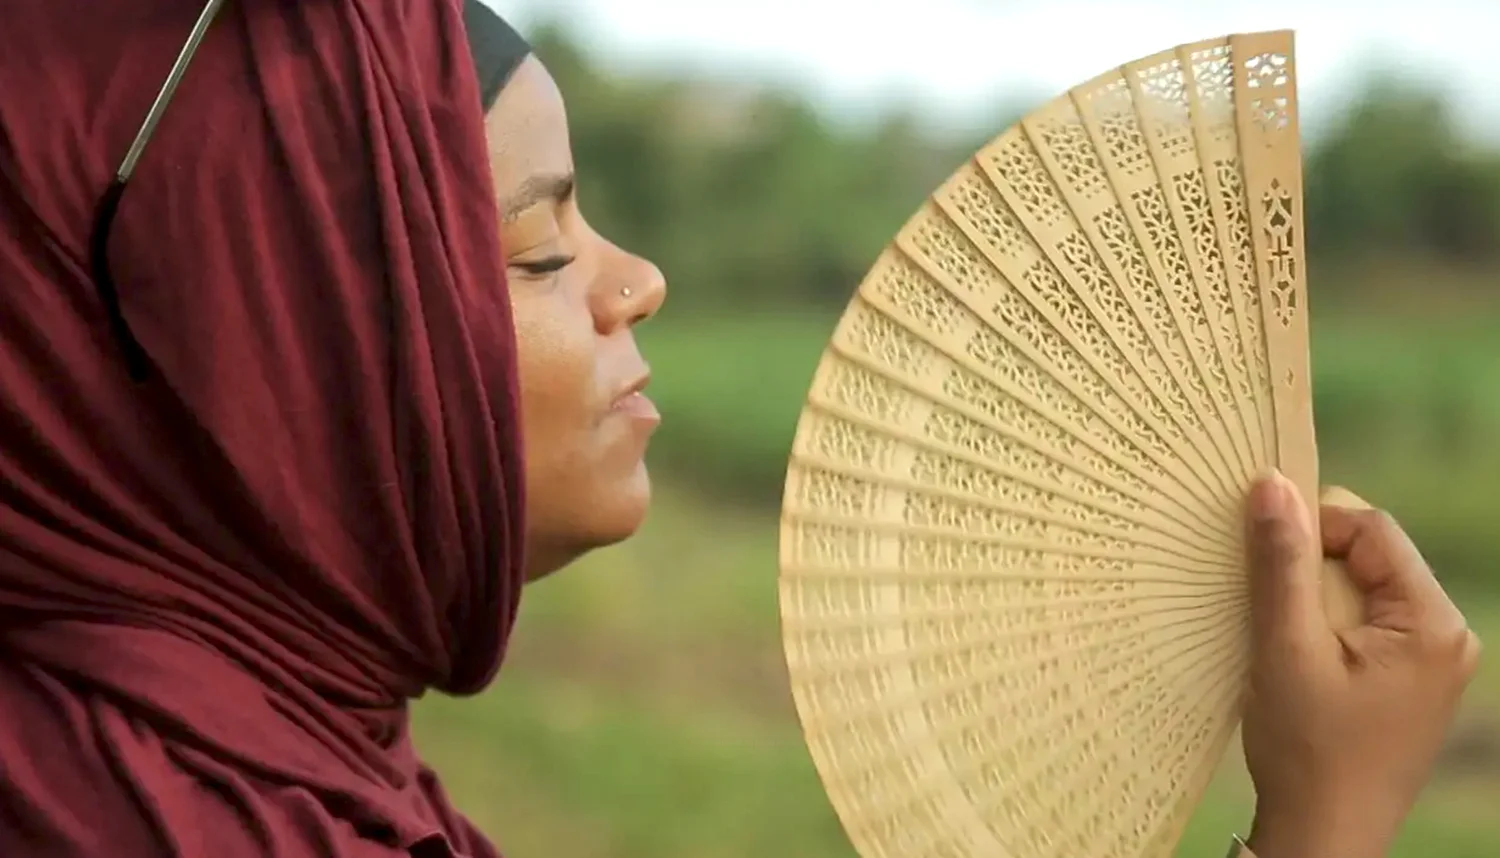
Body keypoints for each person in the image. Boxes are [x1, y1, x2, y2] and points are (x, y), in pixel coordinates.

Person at [0, 2, 1479, 857]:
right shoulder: (158, 820)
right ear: (274, 353)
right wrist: (1327, 826)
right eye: (539, 243)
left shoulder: (294, 759)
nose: (636, 280)